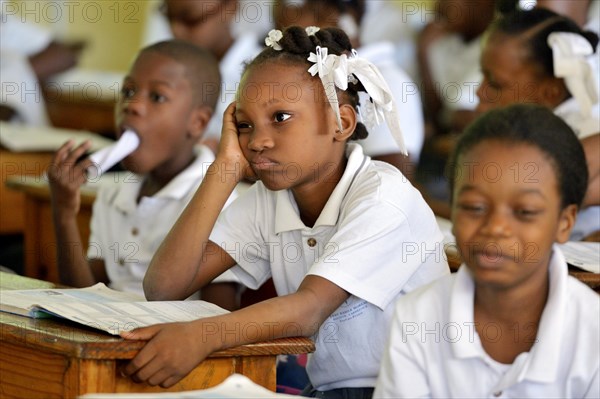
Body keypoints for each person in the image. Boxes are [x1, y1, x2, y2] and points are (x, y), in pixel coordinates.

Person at [121, 26, 449, 396]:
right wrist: (225, 169)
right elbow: (164, 287)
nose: (258, 141)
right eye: (244, 125)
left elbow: (308, 309)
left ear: (340, 123)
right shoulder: (270, 200)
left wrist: (204, 336)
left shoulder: (383, 198)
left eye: (280, 118)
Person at [374, 104, 600, 398]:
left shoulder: (592, 329)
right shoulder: (418, 317)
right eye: (474, 207)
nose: (495, 227)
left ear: (564, 222)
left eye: (525, 212)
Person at [47, 40, 239, 309]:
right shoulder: (114, 192)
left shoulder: (219, 201)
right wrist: (64, 212)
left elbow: (218, 315)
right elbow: (82, 297)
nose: (132, 105)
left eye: (157, 97)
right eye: (127, 91)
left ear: (197, 123)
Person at [476, 7, 600, 240]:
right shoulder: (523, 132)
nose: (479, 91)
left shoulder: (583, 135)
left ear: (551, 92)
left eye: (495, 84)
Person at [156, 0, 264, 152]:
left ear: (230, 7)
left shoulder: (265, 72)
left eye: (190, 19)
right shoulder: (172, 70)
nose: (176, 31)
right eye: (168, 17)